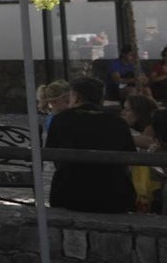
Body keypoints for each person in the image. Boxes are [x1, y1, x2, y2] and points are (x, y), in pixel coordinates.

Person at [45, 76, 136, 213]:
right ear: (101, 98)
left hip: (69, 193)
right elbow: (129, 157)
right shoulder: (117, 122)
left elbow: (51, 153)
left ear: (75, 97)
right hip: (114, 195)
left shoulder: (61, 120)